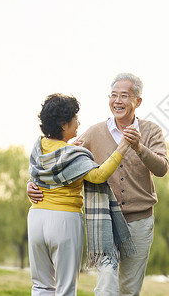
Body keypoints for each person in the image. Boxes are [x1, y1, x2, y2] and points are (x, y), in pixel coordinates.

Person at [28, 73, 169, 296]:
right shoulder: (94, 132)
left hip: (139, 220)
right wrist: (33, 182)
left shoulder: (151, 131)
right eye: (114, 95)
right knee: (106, 283)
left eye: (124, 96)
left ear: (138, 101)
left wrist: (139, 148)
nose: (117, 101)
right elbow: (60, 158)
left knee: (129, 289)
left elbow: (162, 169)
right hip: (103, 220)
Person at [27, 93, 135, 296]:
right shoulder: (73, 155)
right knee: (65, 288)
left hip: (36, 218)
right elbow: (98, 175)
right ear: (63, 125)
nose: (79, 123)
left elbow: (40, 173)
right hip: (64, 220)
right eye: (75, 119)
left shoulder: (38, 148)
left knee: (40, 286)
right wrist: (122, 148)